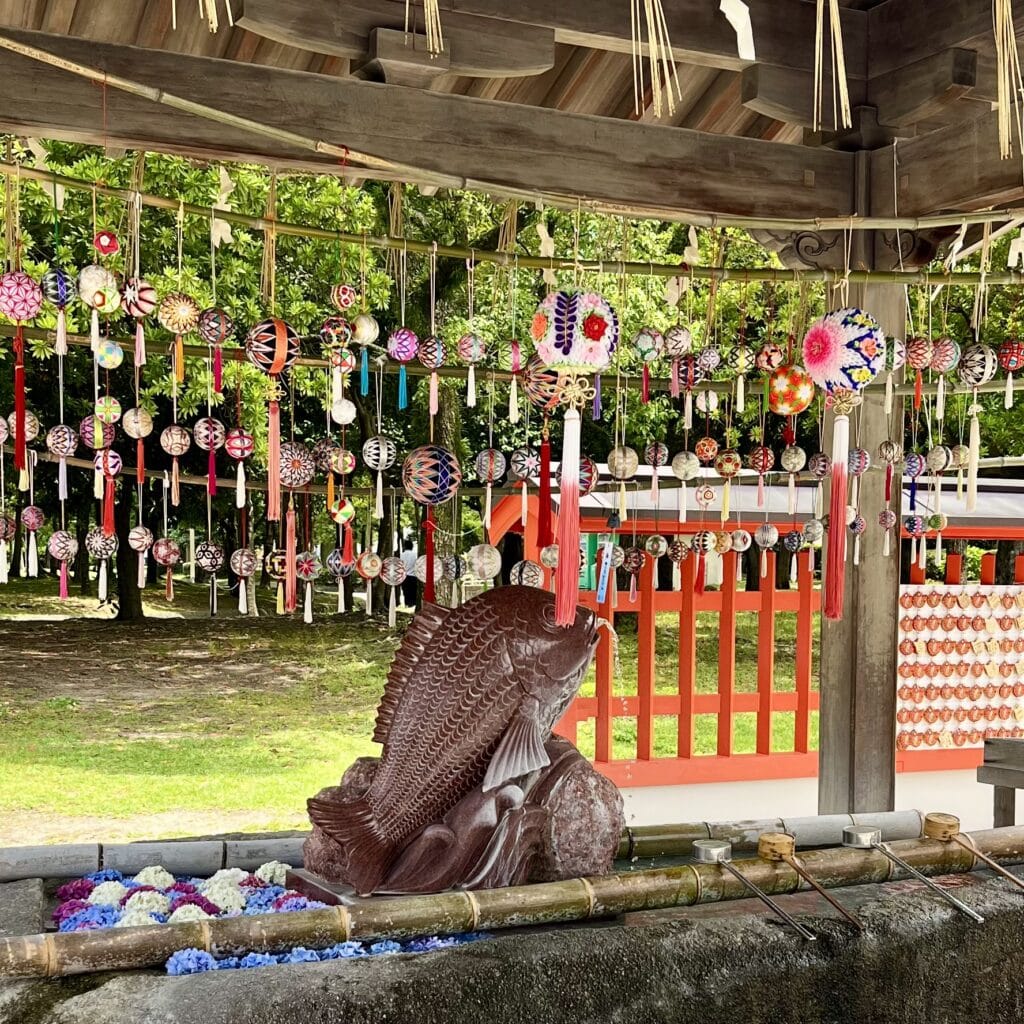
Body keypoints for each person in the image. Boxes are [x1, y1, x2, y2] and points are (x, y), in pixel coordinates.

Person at [400, 539, 418, 608]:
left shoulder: (402, 555)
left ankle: (407, 604)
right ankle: (413, 604)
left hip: (404, 576)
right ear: (412, 547)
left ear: (404, 546)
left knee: (406, 591)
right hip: (413, 576)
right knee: (413, 591)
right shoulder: (415, 555)